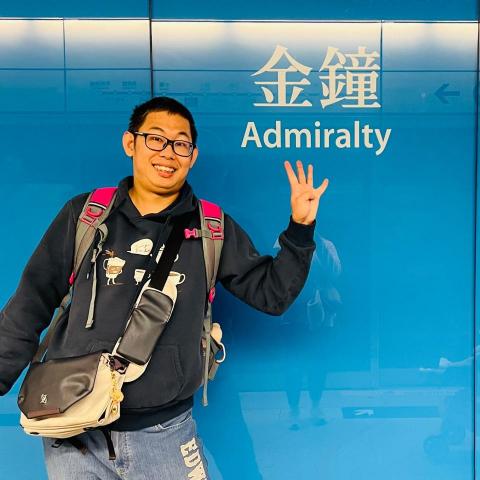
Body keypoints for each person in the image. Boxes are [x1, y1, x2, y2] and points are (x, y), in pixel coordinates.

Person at [0, 96, 329, 479]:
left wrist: (300, 228)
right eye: (155, 138)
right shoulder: (86, 215)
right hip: (73, 429)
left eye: (180, 144)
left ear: (193, 156)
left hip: (164, 433)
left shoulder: (211, 227)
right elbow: (30, 304)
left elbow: (271, 294)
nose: (168, 152)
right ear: (130, 143)